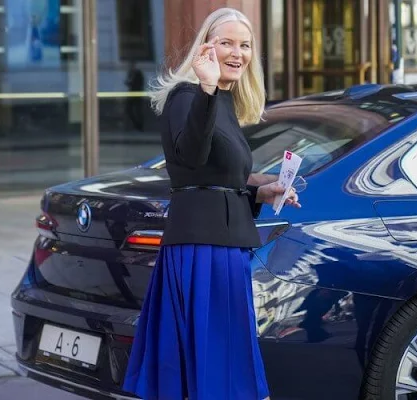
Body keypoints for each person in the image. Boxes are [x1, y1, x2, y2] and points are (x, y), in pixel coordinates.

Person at [122, 7, 301, 400]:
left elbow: (214, 178)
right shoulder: (189, 95)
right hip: (204, 249)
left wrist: (260, 191)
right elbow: (190, 158)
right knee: (214, 365)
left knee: (220, 362)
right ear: (206, 48)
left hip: (224, 245)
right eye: (226, 43)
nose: (238, 53)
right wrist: (205, 89)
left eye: (245, 45)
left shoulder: (222, 101)